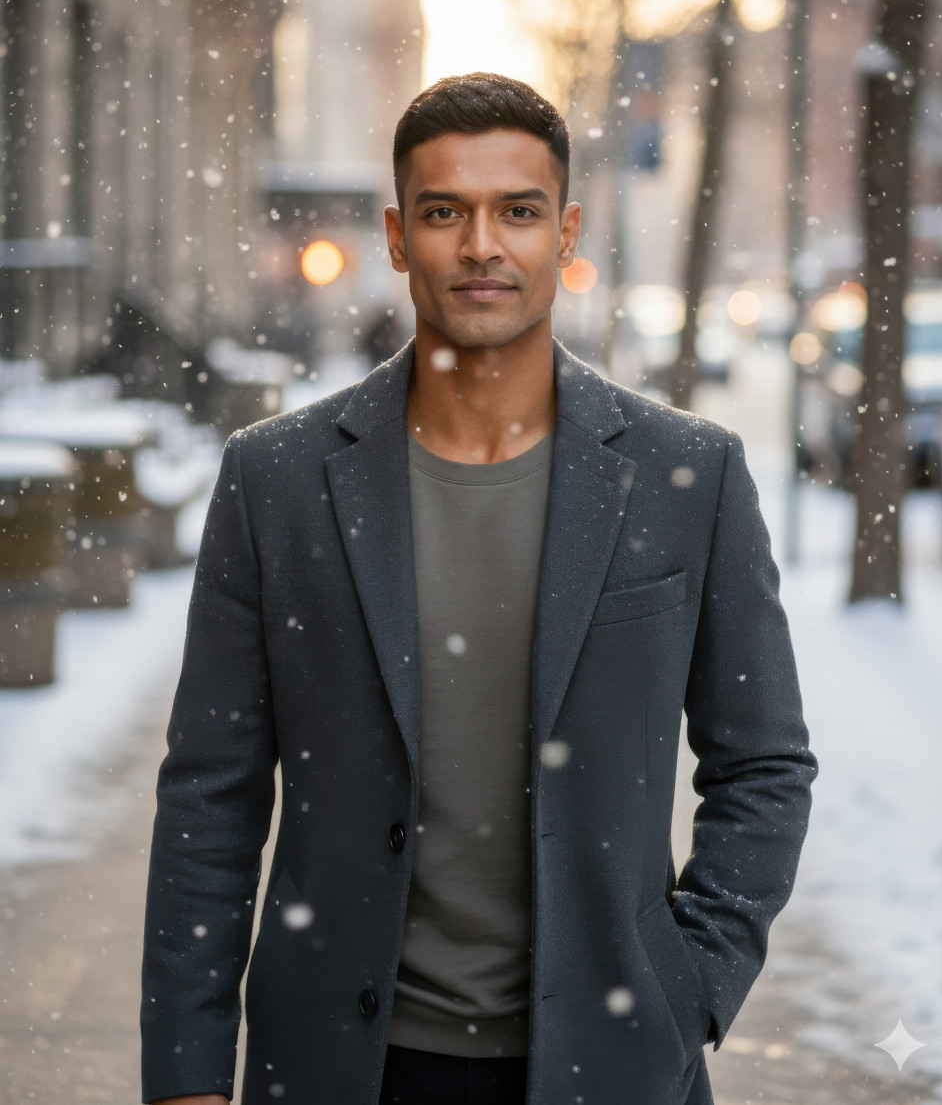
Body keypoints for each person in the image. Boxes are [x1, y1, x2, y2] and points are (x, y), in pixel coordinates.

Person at [141, 73, 818, 1105]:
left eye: (519, 210)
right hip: (342, 1065)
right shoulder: (275, 479)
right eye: (445, 211)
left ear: (569, 230)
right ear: (399, 235)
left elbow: (764, 762)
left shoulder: (692, 475)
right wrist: (186, 1074)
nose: (482, 245)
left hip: (613, 1063)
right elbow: (210, 796)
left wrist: (691, 985)